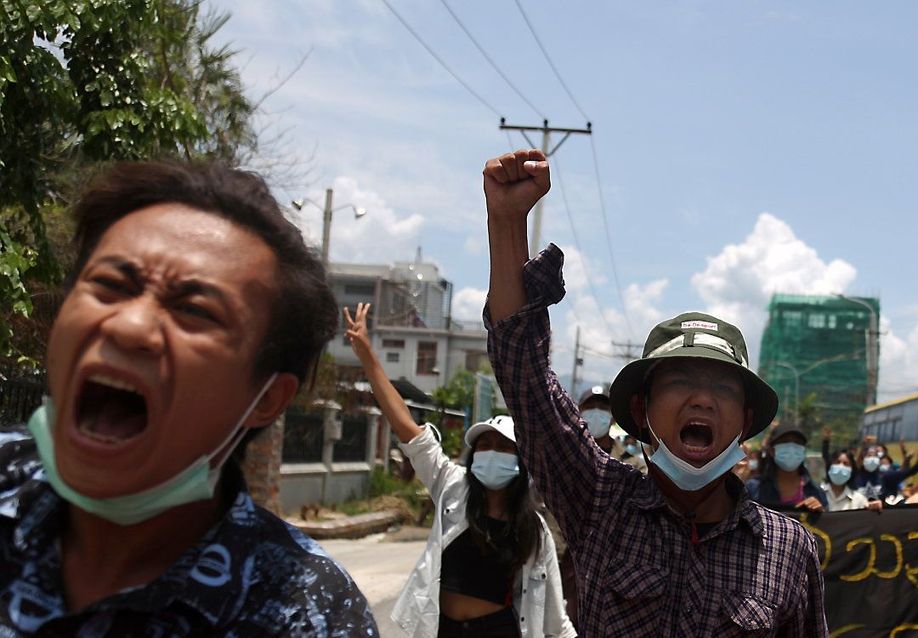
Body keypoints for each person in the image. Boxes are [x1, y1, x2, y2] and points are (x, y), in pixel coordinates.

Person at [0, 162, 377, 635]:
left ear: (267, 398)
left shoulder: (308, 614)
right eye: (111, 286)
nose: (128, 325)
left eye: (195, 310)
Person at [483, 149, 827, 636]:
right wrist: (507, 221)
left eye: (721, 386)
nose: (702, 399)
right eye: (682, 380)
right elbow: (525, 377)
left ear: (746, 420)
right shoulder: (600, 501)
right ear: (642, 412)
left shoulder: (789, 549)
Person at [343, 304, 574, 638]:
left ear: (522, 463)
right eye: (484, 445)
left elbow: (556, 620)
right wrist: (368, 356)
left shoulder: (533, 530)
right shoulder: (453, 487)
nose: (491, 452)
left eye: (504, 447)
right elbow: (408, 429)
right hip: (444, 629)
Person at [746, 423, 827, 511]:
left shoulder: (816, 491)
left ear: (803, 451)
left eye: (797, 442)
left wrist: (821, 514)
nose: (791, 448)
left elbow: (828, 523)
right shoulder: (754, 488)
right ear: (772, 450)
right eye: (785, 441)